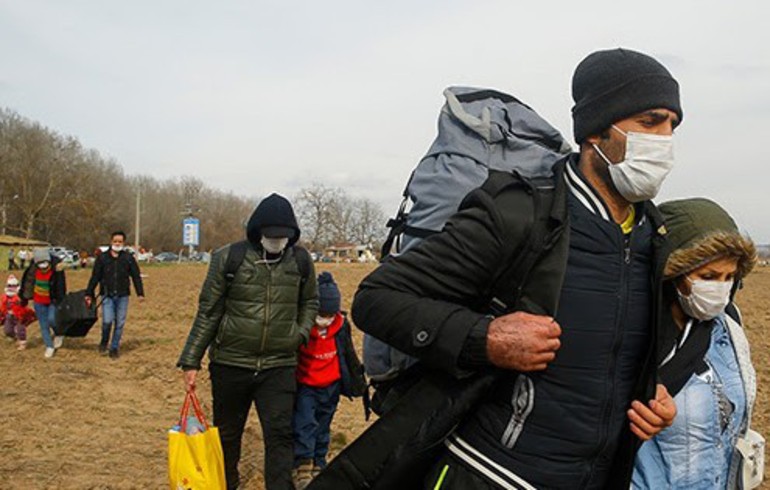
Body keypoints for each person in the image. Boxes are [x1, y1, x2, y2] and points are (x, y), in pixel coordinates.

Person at [346, 48, 682, 489]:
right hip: (491, 474)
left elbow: (611, 358)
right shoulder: (518, 214)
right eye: (650, 122)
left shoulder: (652, 237)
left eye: (673, 125)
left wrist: (650, 397)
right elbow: (376, 300)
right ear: (597, 130)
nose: (665, 139)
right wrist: (484, 338)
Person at [177, 193, 318, 490]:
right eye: (271, 236)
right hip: (231, 363)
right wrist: (191, 359)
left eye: (283, 237)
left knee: (280, 435)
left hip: (278, 366)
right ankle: (227, 482)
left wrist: (299, 333)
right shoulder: (229, 258)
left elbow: (310, 302)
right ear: (257, 232)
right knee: (228, 434)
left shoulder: (301, 261)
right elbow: (208, 311)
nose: (276, 241)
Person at [632, 198, 762, 489]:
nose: (720, 288)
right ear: (672, 273)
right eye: (708, 276)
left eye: (730, 277)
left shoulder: (728, 325)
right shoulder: (634, 336)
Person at [292, 272, 364, 489]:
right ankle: (303, 465)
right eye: (321, 314)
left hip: (330, 385)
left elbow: (348, 353)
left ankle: (319, 462)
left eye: (329, 315)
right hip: (306, 385)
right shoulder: (303, 326)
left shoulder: (341, 326)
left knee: (323, 425)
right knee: (304, 425)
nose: (325, 320)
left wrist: (356, 379)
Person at [85, 231, 145, 359]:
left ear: (124, 243)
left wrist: (140, 293)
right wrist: (89, 292)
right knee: (107, 321)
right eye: (115, 241)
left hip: (123, 295)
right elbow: (95, 277)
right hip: (107, 295)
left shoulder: (128, 258)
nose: (117, 244)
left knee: (120, 323)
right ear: (111, 242)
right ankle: (104, 341)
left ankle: (114, 348)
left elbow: (136, 276)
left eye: (120, 242)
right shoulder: (103, 258)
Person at [20, 247, 66, 358]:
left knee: (52, 320)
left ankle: (59, 333)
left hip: (52, 300)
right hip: (38, 301)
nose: (42, 265)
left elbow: (61, 286)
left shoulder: (56, 270)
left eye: (44, 262)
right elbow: (27, 283)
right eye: (39, 263)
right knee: (43, 325)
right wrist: (24, 297)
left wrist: (61, 299)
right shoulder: (33, 270)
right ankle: (49, 346)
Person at [1, 274, 36, 350]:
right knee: (7, 330)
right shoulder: (4, 297)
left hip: (19, 316)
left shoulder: (20, 297)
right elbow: (2, 307)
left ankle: (22, 342)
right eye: (10, 286)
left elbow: (24, 306)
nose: (12, 288)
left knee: (20, 329)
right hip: (9, 316)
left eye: (14, 286)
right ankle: (15, 337)